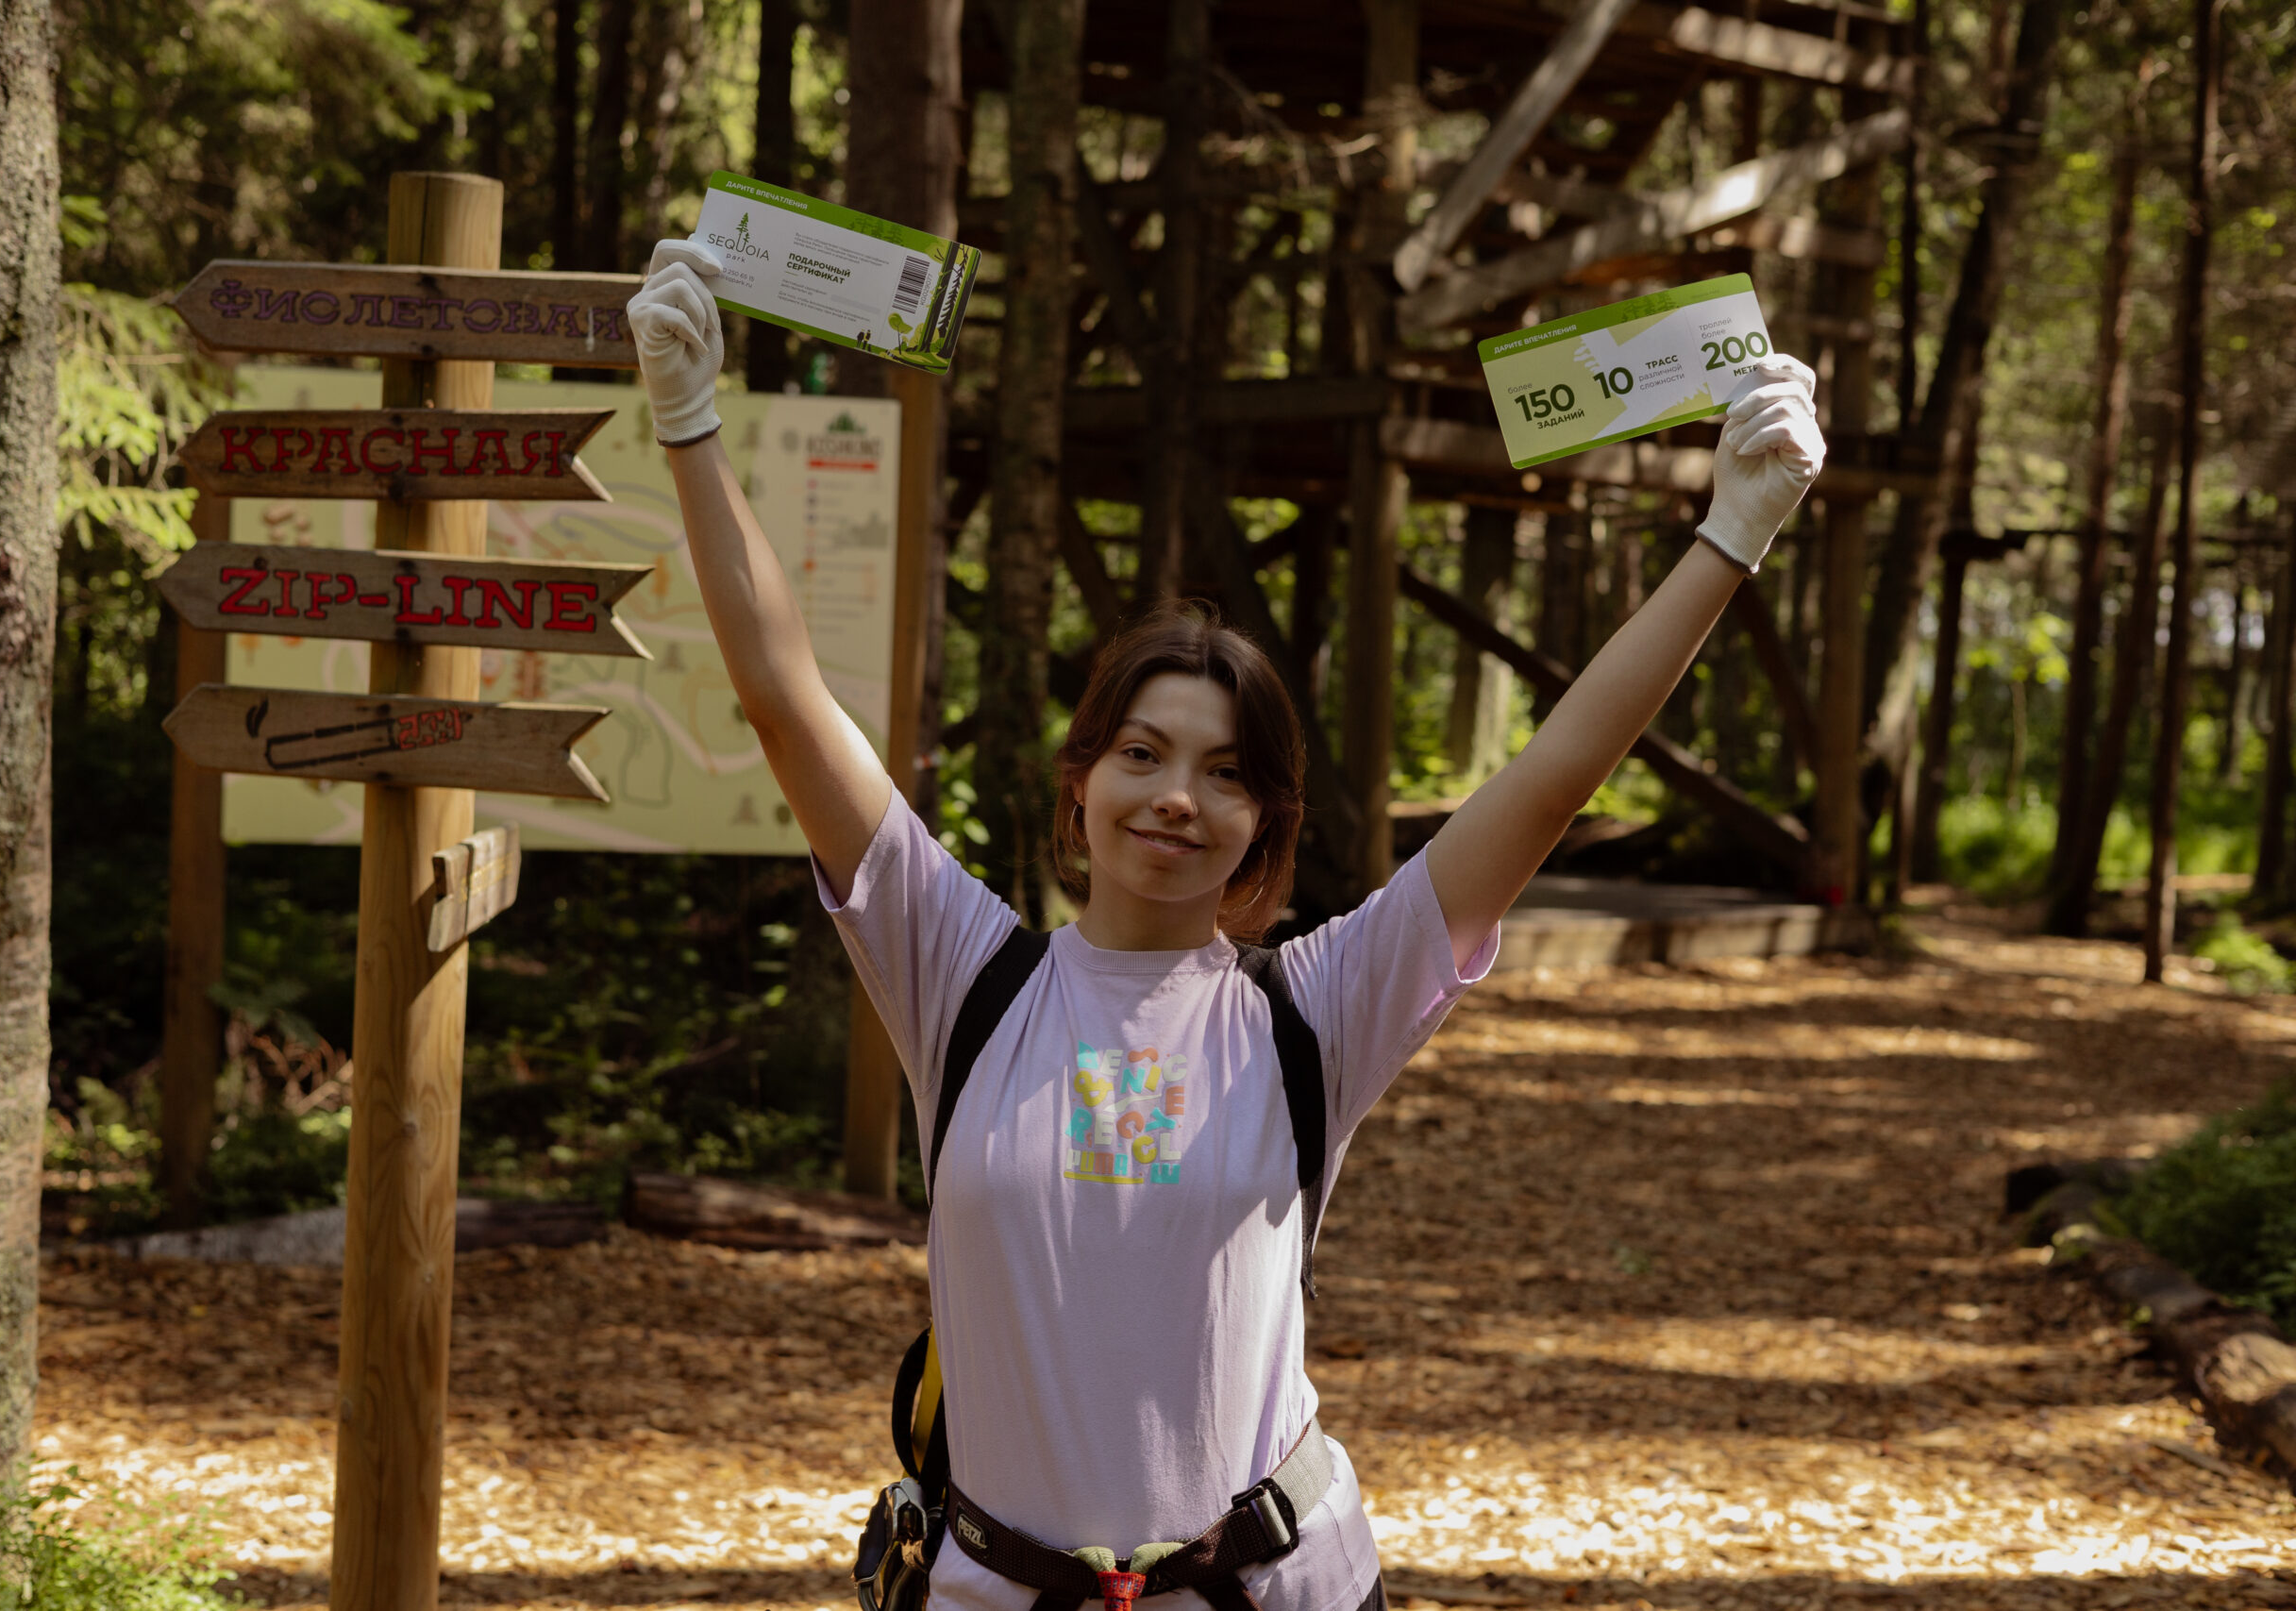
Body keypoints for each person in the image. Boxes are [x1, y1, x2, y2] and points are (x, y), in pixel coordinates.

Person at [629, 240, 1825, 1611]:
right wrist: (690, 428)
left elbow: (1552, 777)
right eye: (1141, 754)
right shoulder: (958, 968)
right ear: (1080, 787)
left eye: (1227, 772)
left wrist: (1731, 537)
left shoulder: (1316, 1007)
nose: (1177, 799)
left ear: (1268, 821)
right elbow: (787, 703)